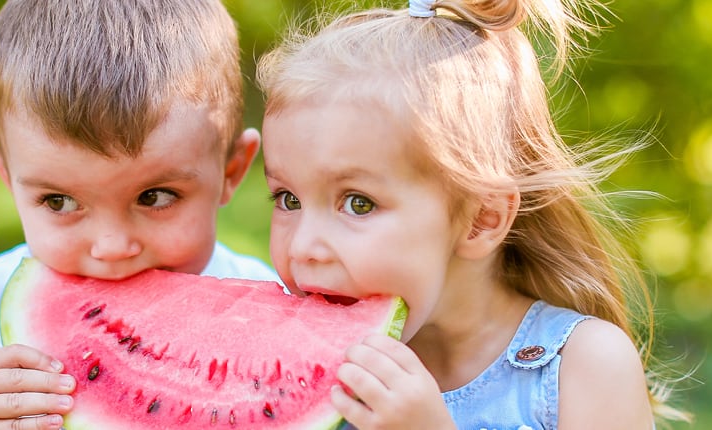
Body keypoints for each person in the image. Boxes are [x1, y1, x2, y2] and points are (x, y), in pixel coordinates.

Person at [257, 0, 688, 428]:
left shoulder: (586, 365)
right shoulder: (297, 373)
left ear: (482, 217)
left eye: (358, 203)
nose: (303, 247)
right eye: (288, 199)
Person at [0, 1, 279, 429]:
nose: (112, 248)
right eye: (59, 202)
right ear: (9, 179)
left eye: (155, 196)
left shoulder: (272, 311)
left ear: (231, 171)